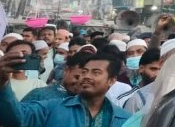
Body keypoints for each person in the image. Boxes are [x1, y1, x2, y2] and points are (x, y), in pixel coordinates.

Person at [0, 51, 131, 126]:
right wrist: (2, 83)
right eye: (84, 71)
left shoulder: (123, 119)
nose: (86, 76)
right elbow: (15, 118)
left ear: (112, 80)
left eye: (96, 72)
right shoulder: (52, 108)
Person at [21, 51, 88, 103]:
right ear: (66, 71)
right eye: (77, 77)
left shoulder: (88, 102)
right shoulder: (40, 95)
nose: (79, 83)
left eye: (84, 80)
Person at [117, 48, 161, 114]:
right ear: (141, 69)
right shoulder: (126, 99)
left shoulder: (173, 95)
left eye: (163, 69)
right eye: (153, 69)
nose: (158, 74)